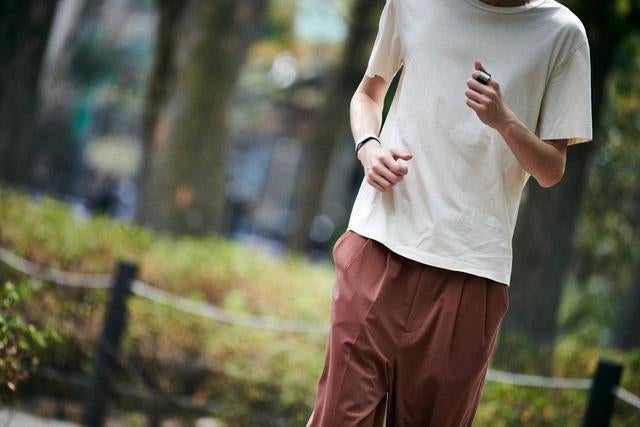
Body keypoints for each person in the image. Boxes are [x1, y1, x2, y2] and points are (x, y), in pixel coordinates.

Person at [307, 0, 592, 425]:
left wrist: (504, 120)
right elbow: (368, 93)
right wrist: (369, 147)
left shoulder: (562, 33)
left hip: (470, 272)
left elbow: (552, 169)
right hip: (379, 242)